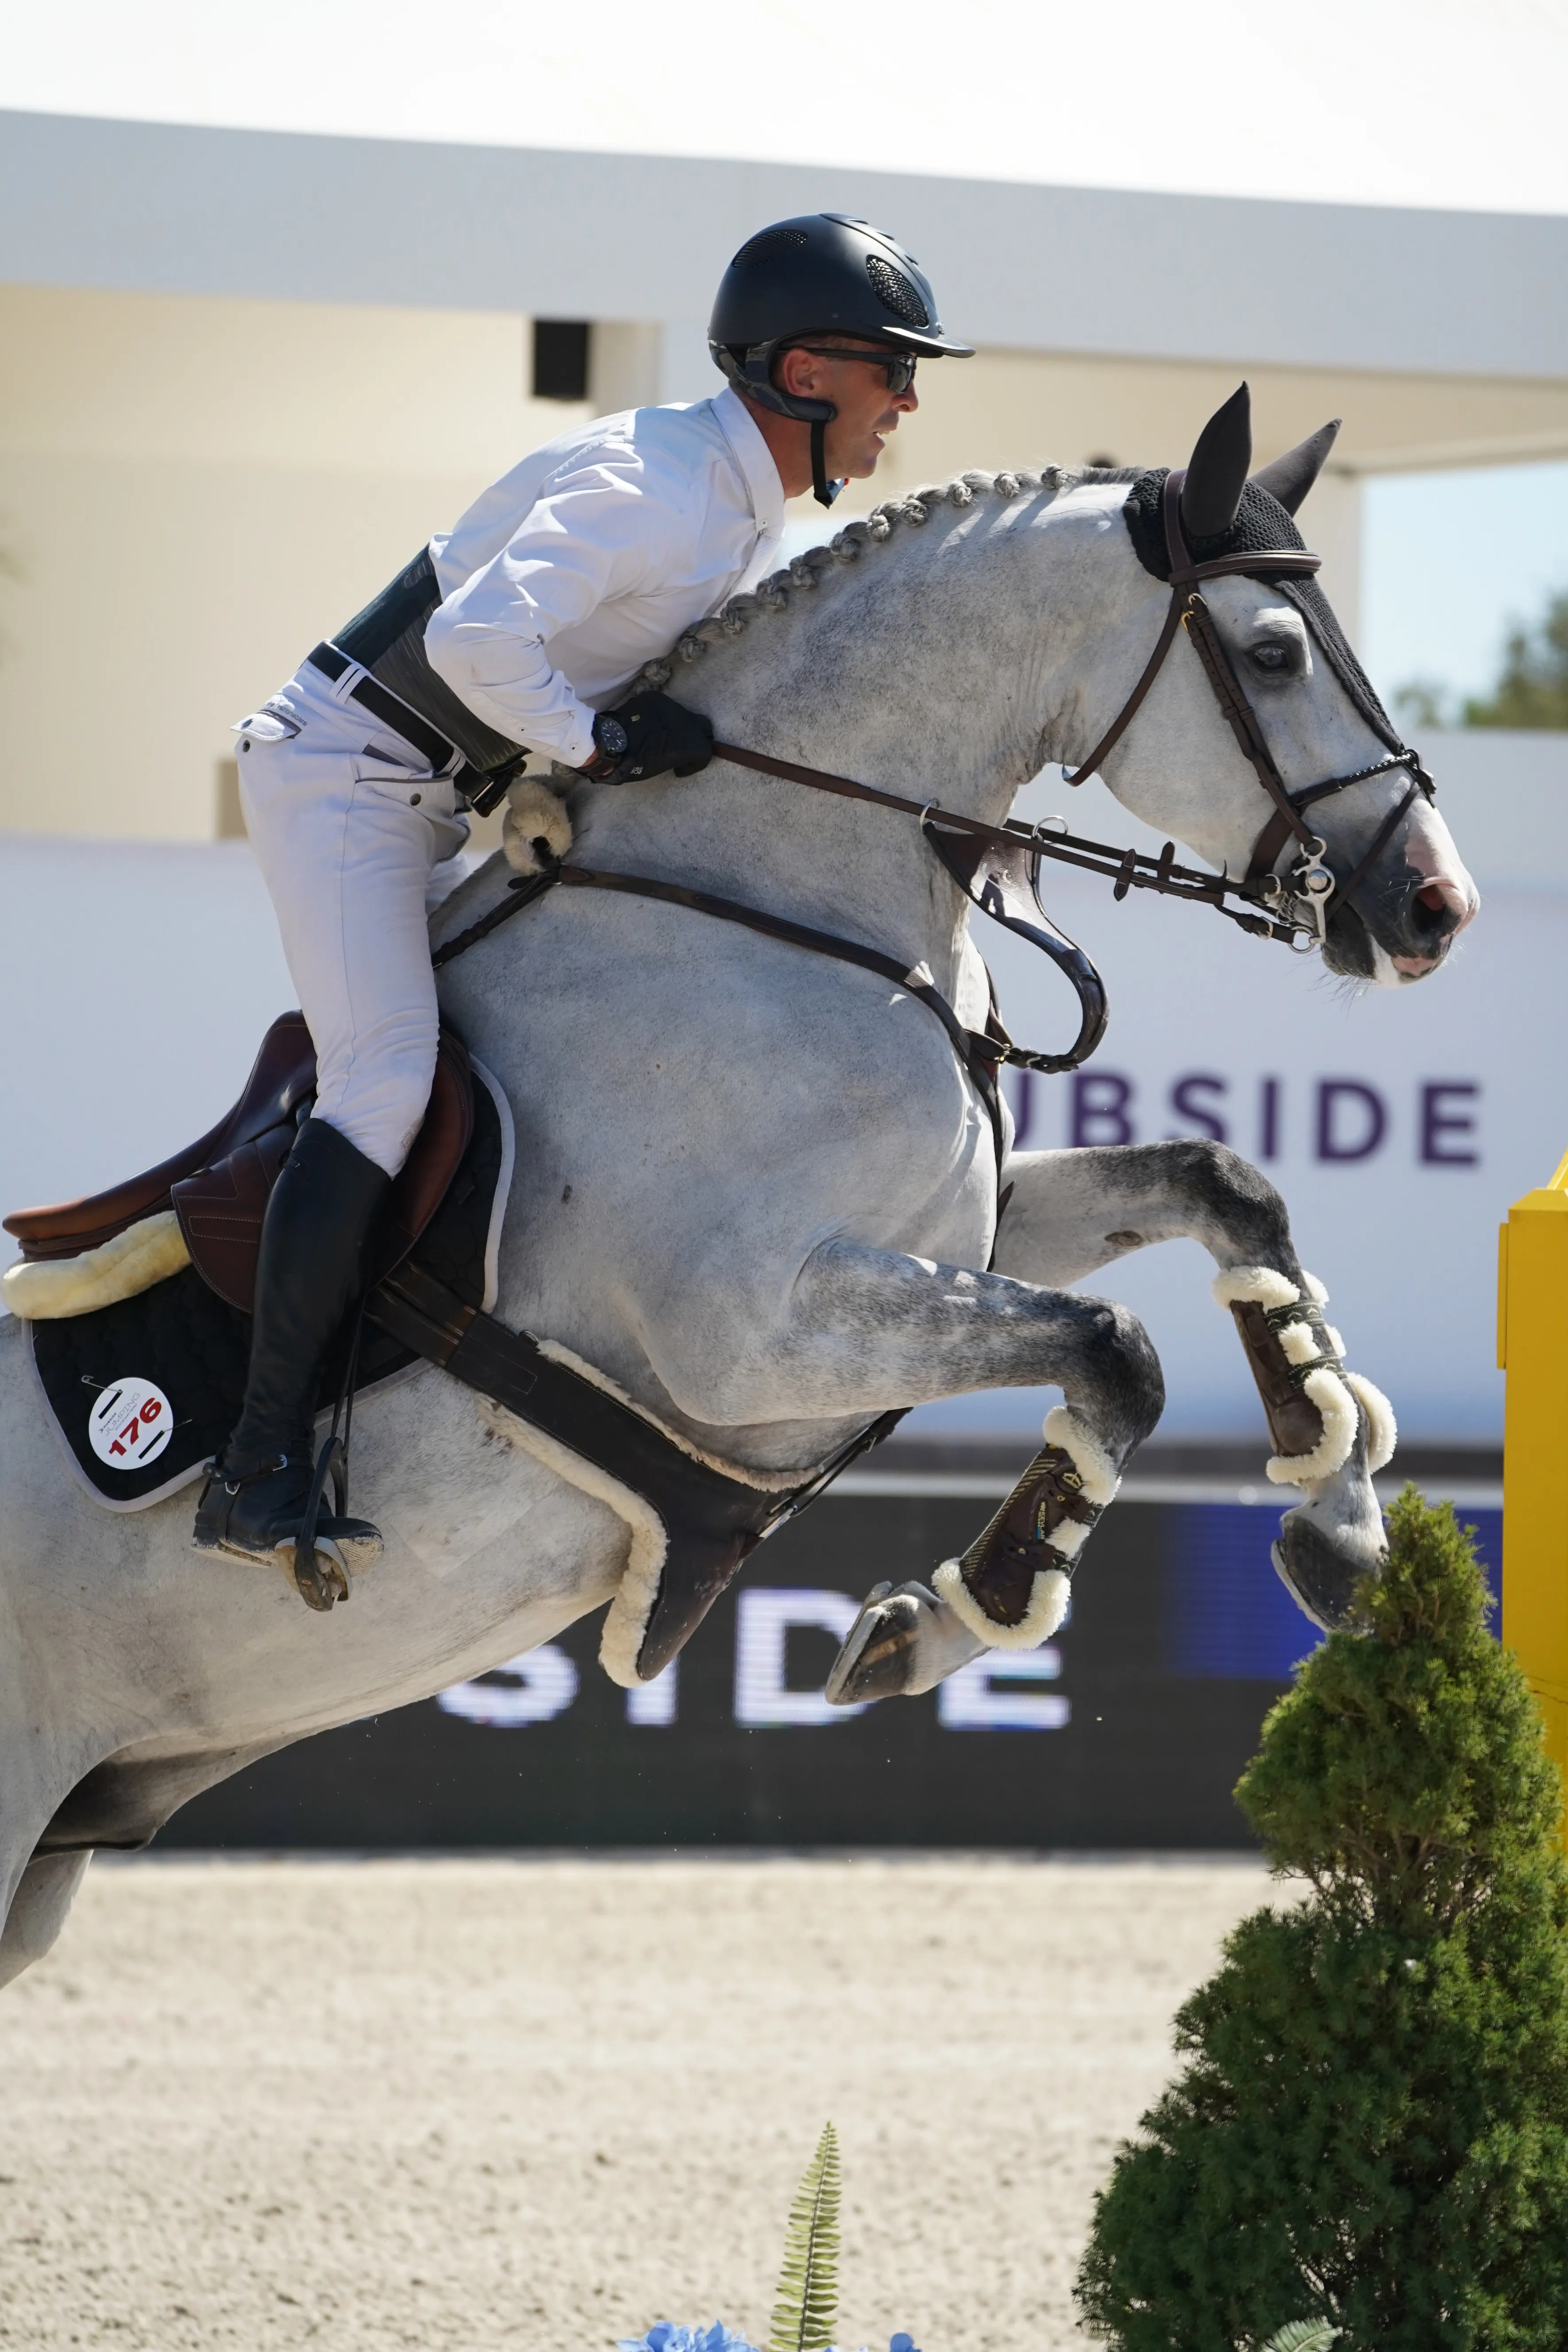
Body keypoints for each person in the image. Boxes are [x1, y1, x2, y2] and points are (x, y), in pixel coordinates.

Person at [195, 213, 972, 1592]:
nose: (904, 403)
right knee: (385, 1081)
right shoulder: (662, 487)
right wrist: (599, 746)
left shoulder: (733, 503)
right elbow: (473, 642)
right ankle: (253, 1463)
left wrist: (596, 748)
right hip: (345, 778)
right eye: (890, 371)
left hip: (428, 787)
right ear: (803, 372)